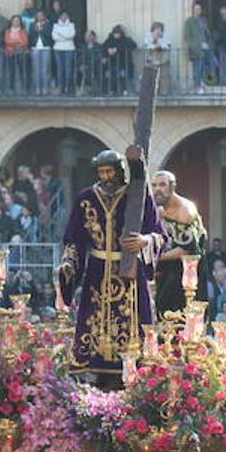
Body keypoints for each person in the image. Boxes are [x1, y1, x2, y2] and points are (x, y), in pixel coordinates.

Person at [56, 146, 164, 377]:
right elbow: (74, 238)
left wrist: (145, 241)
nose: (105, 177)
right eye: (101, 172)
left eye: (109, 171)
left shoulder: (138, 195)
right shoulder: (86, 198)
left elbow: (159, 234)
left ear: (120, 170)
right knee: (92, 322)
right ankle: (92, 368)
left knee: (134, 324)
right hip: (97, 271)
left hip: (130, 272)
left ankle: (136, 369)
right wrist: (69, 263)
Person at [150, 169, 207, 320]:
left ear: (172, 187)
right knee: (161, 310)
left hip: (187, 268)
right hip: (166, 268)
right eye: (154, 185)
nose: (157, 189)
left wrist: (156, 257)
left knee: (181, 315)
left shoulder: (185, 211)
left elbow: (186, 250)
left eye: (162, 185)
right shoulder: (158, 209)